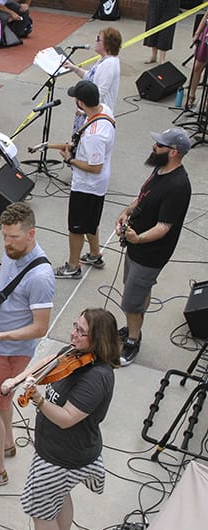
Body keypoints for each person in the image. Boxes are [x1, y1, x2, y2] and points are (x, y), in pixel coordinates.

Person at [3, 308, 119, 530]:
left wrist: (38, 400)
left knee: (41, 512)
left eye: (81, 331)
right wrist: (16, 380)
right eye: (75, 326)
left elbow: (67, 418)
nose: (73, 334)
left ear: (98, 339)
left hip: (63, 458)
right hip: (59, 451)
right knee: (59, 497)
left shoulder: (96, 378)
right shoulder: (75, 352)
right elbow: (48, 362)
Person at [0, 202, 54, 487]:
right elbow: (2, 280)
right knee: (0, 402)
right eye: (4, 236)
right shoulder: (12, 252)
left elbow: (40, 327)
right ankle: (6, 443)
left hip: (13, 353)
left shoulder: (41, 276)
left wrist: (0, 337)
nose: (7, 243)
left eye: (14, 237)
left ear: (31, 233)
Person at [115, 128, 192, 366]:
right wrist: (126, 212)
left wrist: (137, 239)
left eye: (160, 145)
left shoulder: (178, 186)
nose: (154, 147)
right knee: (136, 290)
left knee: (129, 301)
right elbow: (144, 197)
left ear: (174, 152)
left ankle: (133, 340)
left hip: (150, 253)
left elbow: (164, 227)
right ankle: (134, 323)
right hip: (136, 245)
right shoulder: (160, 170)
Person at [54, 80, 115, 280]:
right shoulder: (104, 110)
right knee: (91, 221)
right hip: (97, 186)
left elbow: (94, 167)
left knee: (76, 227)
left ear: (80, 102)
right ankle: (95, 254)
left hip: (87, 185)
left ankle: (73, 266)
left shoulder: (94, 136)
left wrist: (70, 159)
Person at [64, 27, 121, 134]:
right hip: (89, 111)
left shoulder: (109, 65)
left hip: (96, 115)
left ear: (107, 45)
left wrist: (83, 109)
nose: (96, 42)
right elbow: (90, 77)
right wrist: (74, 68)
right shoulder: (102, 60)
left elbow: (99, 93)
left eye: (99, 39)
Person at [143, 0, 178, 65]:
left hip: (171, 4)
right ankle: (154, 55)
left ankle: (162, 59)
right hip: (155, 3)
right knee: (153, 25)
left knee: (167, 30)